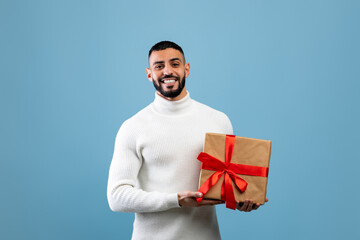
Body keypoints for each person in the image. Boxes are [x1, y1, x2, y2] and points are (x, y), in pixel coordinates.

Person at [107, 41, 266, 240]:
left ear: (186, 69)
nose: (167, 71)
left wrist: (243, 201)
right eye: (159, 66)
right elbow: (117, 197)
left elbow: (228, 186)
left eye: (175, 64)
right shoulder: (132, 127)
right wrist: (176, 200)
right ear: (149, 74)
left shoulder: (218, 120)